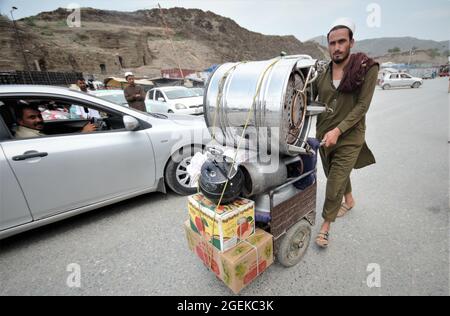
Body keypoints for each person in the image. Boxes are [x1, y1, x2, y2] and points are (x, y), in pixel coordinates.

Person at [313, 18, 379, 248]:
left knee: (333, 184)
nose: (337, 47)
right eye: (332, 43)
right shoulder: (322, 72)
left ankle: (325, 227)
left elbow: (362, 106)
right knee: (335, 173)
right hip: (324, 136)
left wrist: (338, 130)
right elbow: (306, 98)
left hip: (349, 137)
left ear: (352, 42)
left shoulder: (366, 68)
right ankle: (349, 200)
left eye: (342, 41)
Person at [14, 102, 96, 139]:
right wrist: (82, 133)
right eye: (32, 117)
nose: (39, 120)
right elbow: (60, 148)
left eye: (39, 116)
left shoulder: (30, 131)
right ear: (20, 121)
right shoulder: (28, 137)